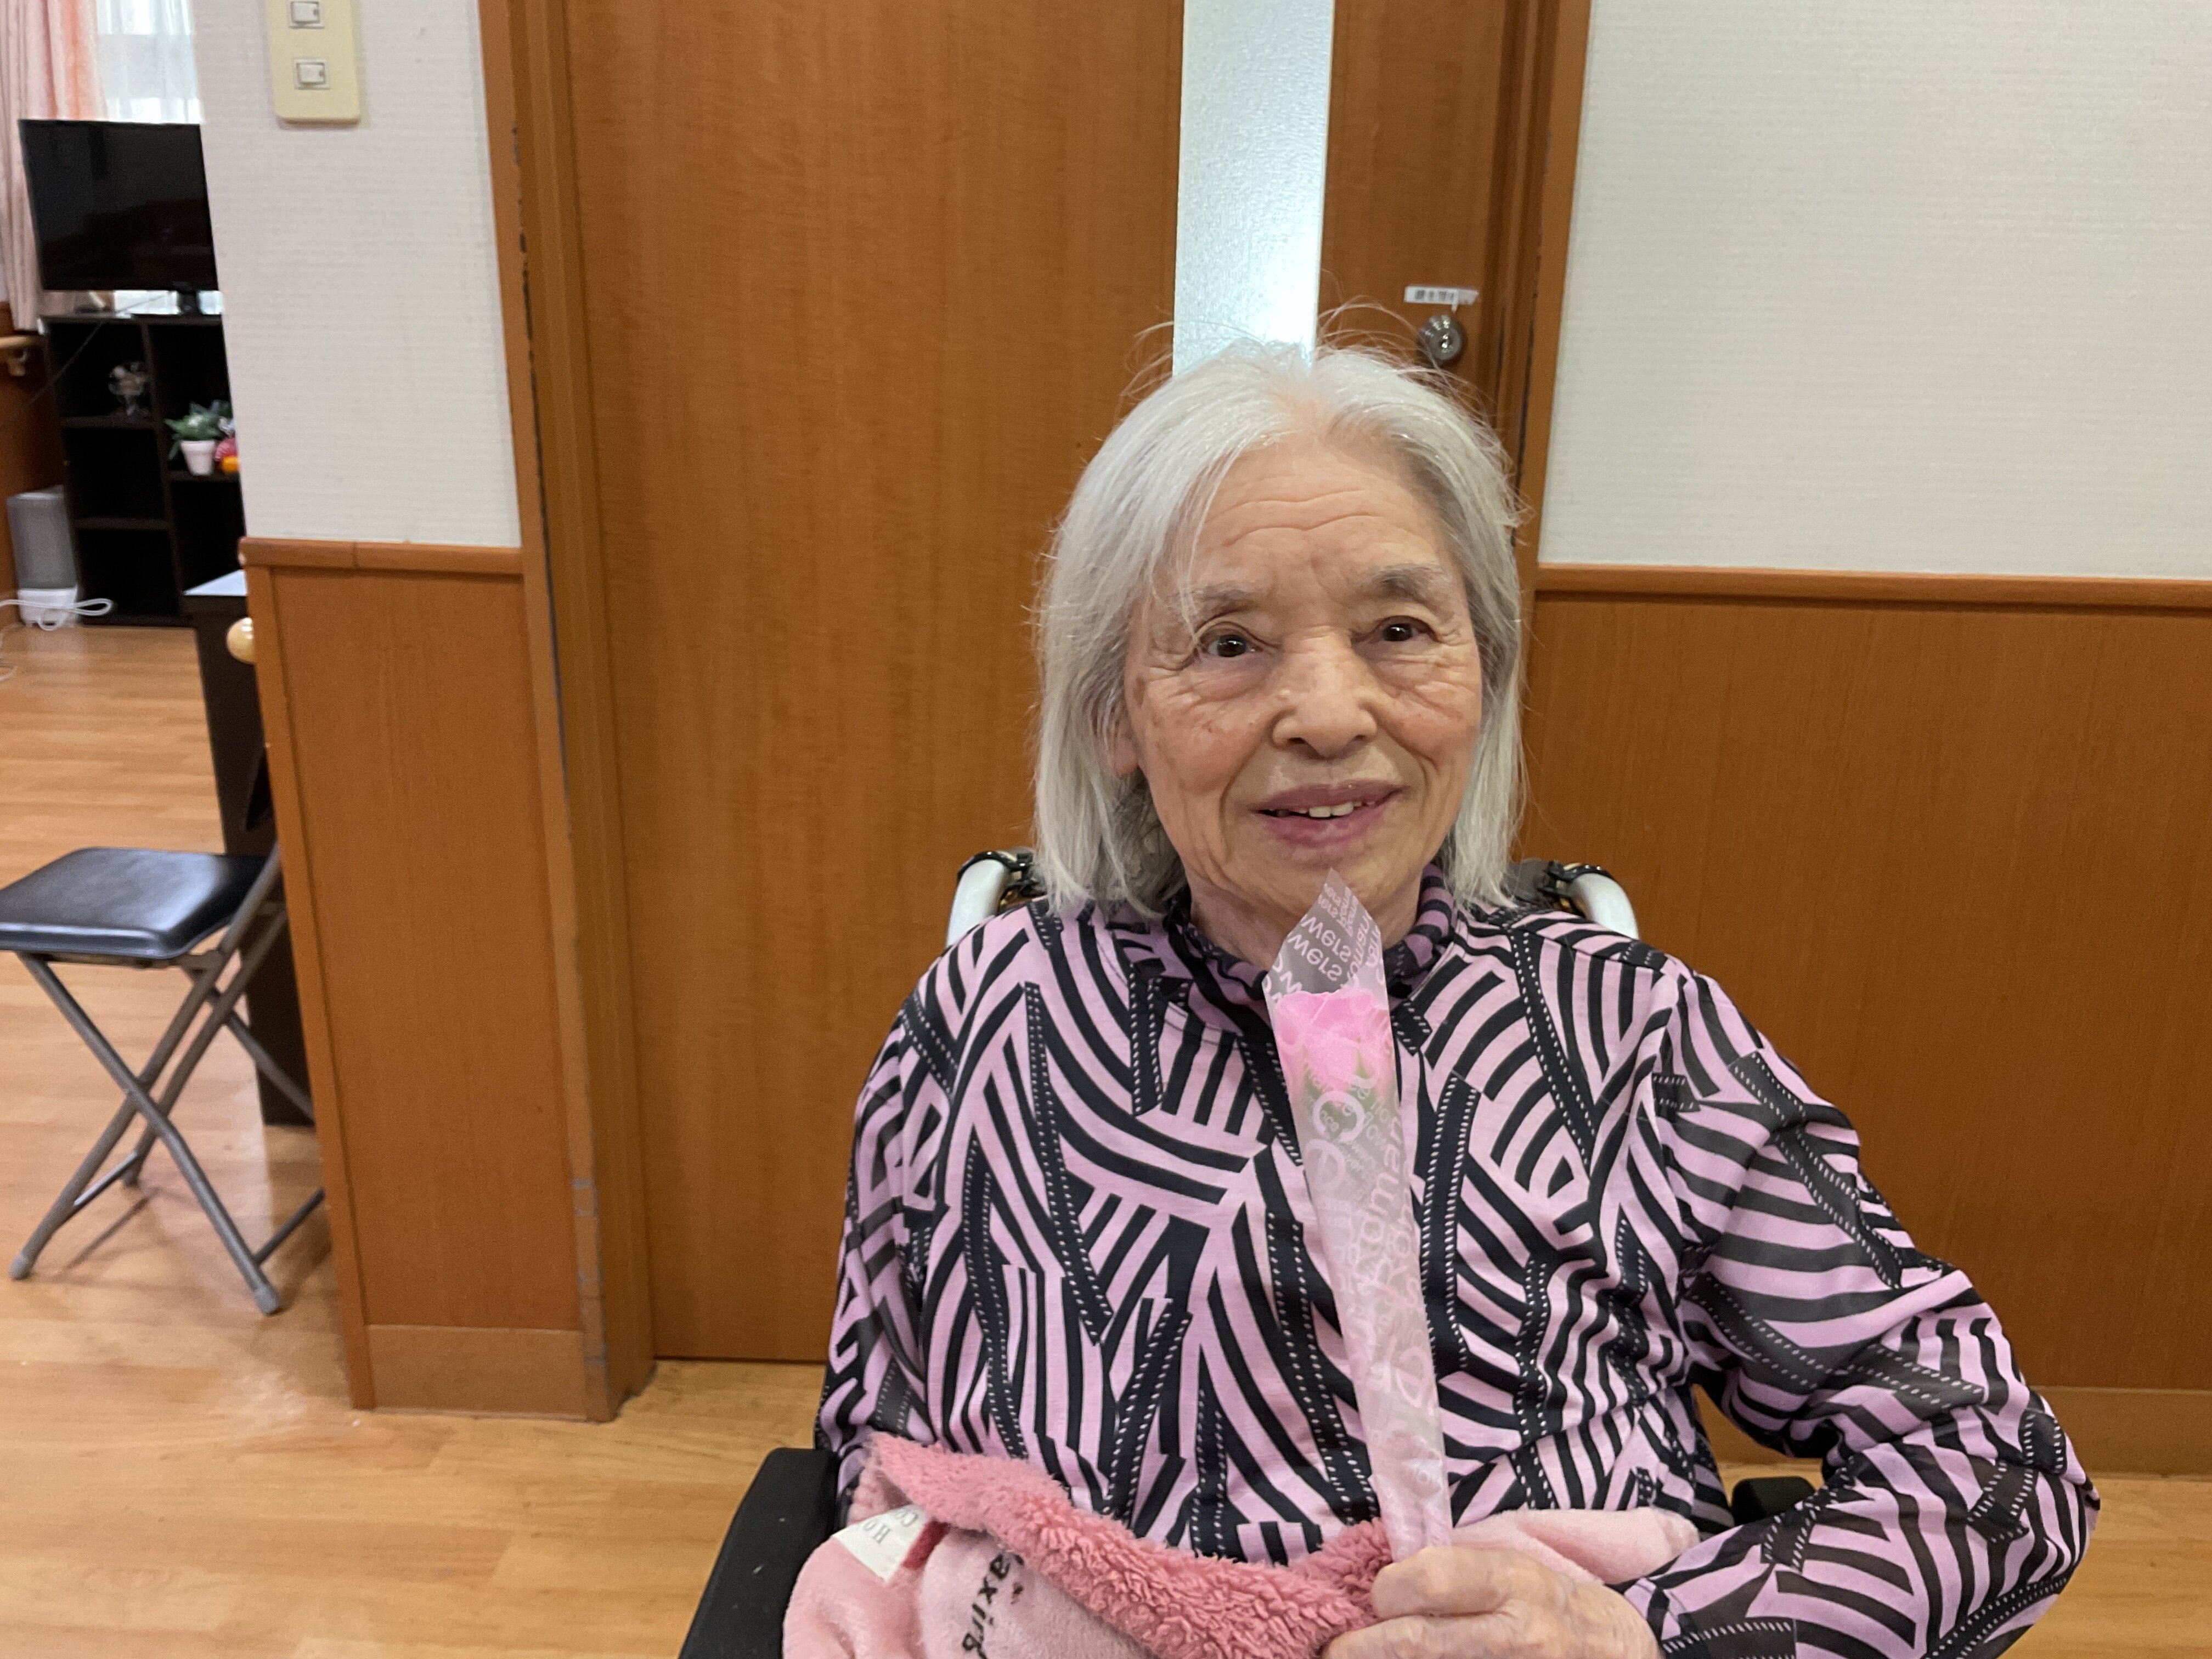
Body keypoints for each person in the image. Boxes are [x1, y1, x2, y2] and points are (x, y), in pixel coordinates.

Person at [816, 343, 2094, 1656]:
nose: (1328, 713)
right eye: (1229, 644)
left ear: (1482, 672)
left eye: (1398, 631)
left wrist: (1644, 1638)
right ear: (1115, 716)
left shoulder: (1631, 1036)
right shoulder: (987, 1017)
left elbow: (2003, 1478)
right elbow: (874, 1456)